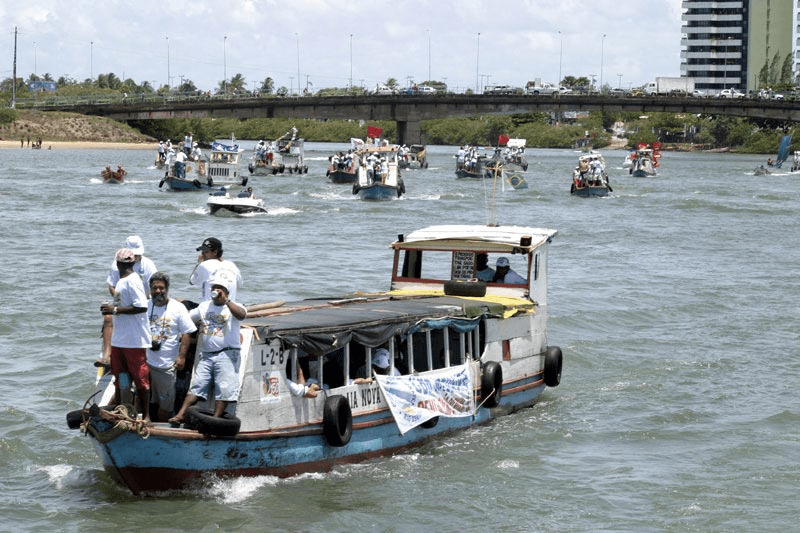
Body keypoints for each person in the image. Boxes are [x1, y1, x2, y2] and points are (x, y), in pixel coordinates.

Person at [169, 275, 247, 424]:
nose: (216, 292)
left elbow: (242, 315)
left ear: (227, 292)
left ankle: (215, 421)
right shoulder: (204, 306)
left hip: (227, 353)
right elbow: (187, 319)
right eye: (214, 289)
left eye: (221, 289)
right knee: (197, 385)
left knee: (224, 388)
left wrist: (227, 301)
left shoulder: (234, 306)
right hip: (206, 354)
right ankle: (181, 415)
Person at [101, 248, 151, 421]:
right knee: (120, 376)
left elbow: (142, 306)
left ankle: (146, 416)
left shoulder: (133, 280)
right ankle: (123, 411)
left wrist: (114, 309)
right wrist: (113, 311)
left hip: (134, 341)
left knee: (141, 380)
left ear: (119, 263)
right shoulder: (121, 282)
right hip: (120, 339)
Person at [98, 236, 158, 366]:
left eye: (138, 254)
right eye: (133, 254)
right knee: (108, 318)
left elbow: (155, 286)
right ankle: (108, 354)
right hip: (122, 299)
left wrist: (143, 297)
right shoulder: (116, 264)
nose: (136, 257)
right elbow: (112, 286)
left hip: (146, 299)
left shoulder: (148, 264)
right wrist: (120, 301)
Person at [145, 272, 197, 421]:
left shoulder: (178, 307)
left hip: (166, 365)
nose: (158, 291)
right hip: (146, 362)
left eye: (161, 288)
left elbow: (187, 333)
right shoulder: (145, 306)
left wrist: (181, 357)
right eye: (155, 288)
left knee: (165, 403)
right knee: (145, 398)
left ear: (167, 288)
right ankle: (146, 423)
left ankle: (161, 427)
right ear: (150, 288)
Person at [189, 237, 242, 301]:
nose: (202, 254)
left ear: (215, 252)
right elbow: (239, 285)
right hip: (230, 307)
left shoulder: (204, 265)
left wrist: (199, 264)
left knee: (181, 301)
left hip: (209, 309)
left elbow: (192, 282)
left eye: (205, 251)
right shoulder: (232, 265)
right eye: (202, 251)